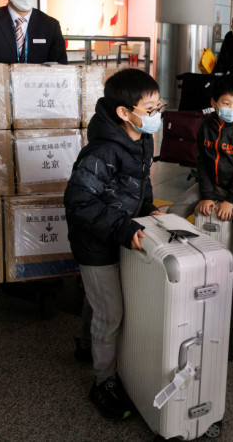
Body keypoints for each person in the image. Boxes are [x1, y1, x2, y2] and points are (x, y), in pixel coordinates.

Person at [64, 69, 166, 420]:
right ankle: (103, 381)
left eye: (158, 106)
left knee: (100, 301)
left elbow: (142, 182)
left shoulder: (141, 137)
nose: (156, 115)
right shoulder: (103, 150)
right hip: (95, 243)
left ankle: (83, 346)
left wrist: (149, 208)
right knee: (111, 314)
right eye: (150, 108)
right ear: (124, 112)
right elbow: (80, 202)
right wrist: (122, 227)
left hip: (117, 231)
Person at [166, 75, 233, 328]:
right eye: (226, 103)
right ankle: (172, 266)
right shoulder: (206, 125)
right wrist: (208, 195)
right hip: (211, 185)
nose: (232, 109)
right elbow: (202, 161)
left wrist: (230, 201)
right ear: (214, 102)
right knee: (174, 212)